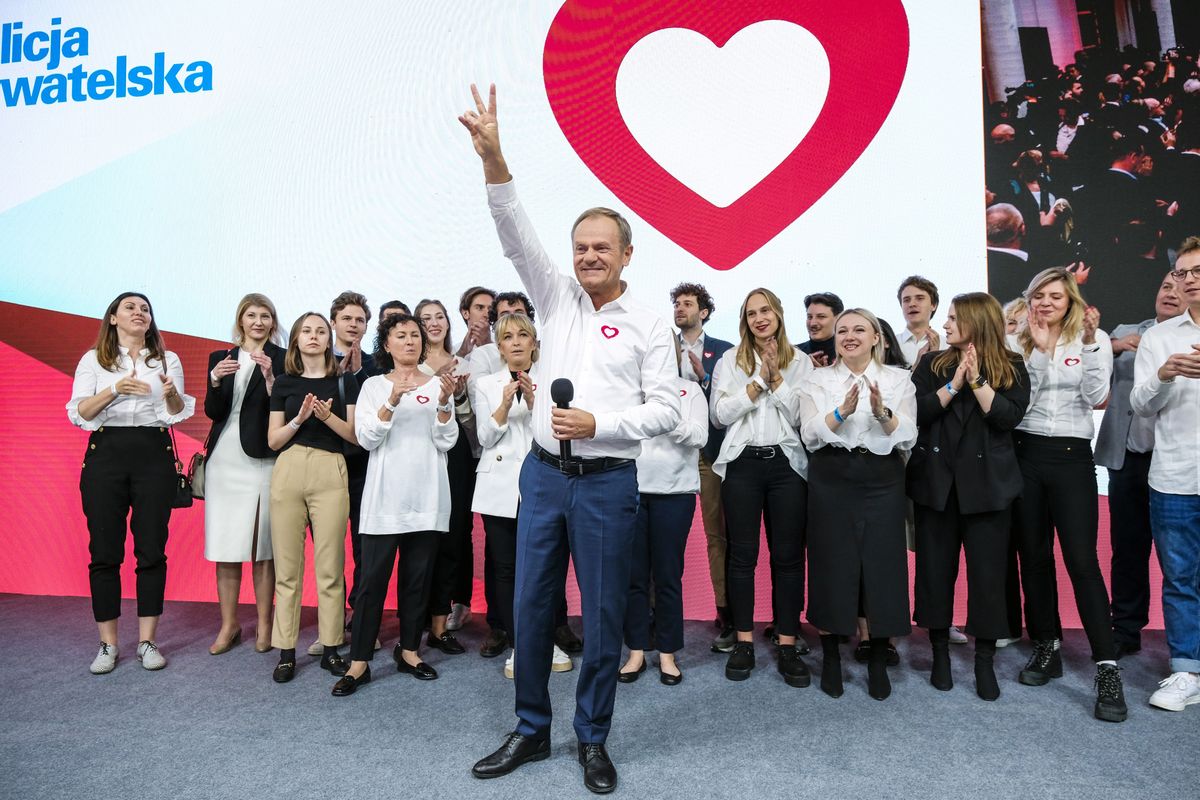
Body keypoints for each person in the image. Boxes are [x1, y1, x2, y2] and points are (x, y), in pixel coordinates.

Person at [461, 84, 678, 794]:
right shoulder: (553, 297)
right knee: (529, 608)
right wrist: (494, 158)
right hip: (544, 477)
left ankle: (592, 737)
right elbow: (512, 229)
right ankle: (530, 729)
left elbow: (667, 411)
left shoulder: (650, 324)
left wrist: (599, 425)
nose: (588, 256)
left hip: (609, 483)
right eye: (580, 247)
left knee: (605, 615)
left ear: (626, 254)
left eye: (601, 248)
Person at [1012, 267, 1126, 722]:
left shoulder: (1090, 341)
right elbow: (1022, 401)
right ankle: (1048, 646)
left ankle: (1107, 668)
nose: (1045, 303)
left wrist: (1092, 344)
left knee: (1082, 561)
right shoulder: (1015, 342)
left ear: (1071, 302)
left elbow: (1097, 395)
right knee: (1034, 557)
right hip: (1025, 452)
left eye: (1055, 296)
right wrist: (1040, 352)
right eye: (1039, 295)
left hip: (1072, 456)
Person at [909, 293, 1030, 701]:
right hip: (937, 487)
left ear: (976, 322)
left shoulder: (1011, 365)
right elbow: (918, 413)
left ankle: (984, 661)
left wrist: (977, 381)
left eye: (953, 318)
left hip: (989, 489)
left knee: (989, 578)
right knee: (934, 573)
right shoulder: (932, 364)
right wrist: (955, 383)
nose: (945, 324)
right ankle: (939, 654)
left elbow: (1008, 417)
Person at [67, 292, 195, 674]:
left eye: (145, 309)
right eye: (130, 307)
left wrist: (171, 395)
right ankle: (107, 644)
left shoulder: (167, 359)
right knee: (104, 551)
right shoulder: (94, 359)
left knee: (152, 549)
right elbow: (80, 412)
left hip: (153, 453)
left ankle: (147, 641)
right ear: (113, 318)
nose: (140, 313)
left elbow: (175, 414)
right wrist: (114, 390)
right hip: (106, 453)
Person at [331, 314, 459, 695]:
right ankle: (359, 663)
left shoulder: (437, 384)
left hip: (427, 496)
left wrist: (444, 404)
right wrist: (392, 400)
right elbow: (367, 438)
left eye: (415, 335)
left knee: (417, 581)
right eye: (400, 335)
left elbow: (446, 440)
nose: (409, 341)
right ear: (386, 344)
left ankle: (409, 651)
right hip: (385, 500)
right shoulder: (372, 386)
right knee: (371, 582)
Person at [800, 308, 916, 701]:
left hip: (882, 477)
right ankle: (831, 658)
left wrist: (883, 414)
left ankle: (878, 659)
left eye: (859, 330)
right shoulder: (816, 379)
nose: (849, 336)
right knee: (831, 566)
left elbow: (908, 435)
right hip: (831, 475)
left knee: (882, 568)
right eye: (842, 330)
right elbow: (810, 434)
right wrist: (841, 413)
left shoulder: (898, 379)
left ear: (876, 338)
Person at [711, 288, 813, 687]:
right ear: (745, 321)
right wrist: (757, 383)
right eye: (751, 313)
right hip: (742, 464)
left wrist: (777, 379)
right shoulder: (730, 360)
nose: (759, 318)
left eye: (765, 310)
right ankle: (743, 642)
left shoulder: (801, 361)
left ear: (779, 314)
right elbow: (719, 415)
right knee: (742, 557)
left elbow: (803, 417)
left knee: (788, 557)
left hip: (787, 466)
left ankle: (787, 642)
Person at [470, 312, 573, 677]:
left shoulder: (553, 380)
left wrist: (533, 402)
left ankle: (549, 640)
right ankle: (518, 646)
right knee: (506, 569)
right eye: (508, 337)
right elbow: (485, 438)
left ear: (533, 342)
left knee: (547, 567)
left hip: (544, 483)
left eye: (522, 335)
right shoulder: (486, 384)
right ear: (499, 347)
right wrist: (503, 404)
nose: (515, 342)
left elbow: (558, 433)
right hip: (499, 486)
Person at [266, 312, 358, 684]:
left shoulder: (344, 381)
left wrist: (325, 416)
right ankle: (286, 652)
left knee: (330, 566)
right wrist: (299, 419)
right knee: (287, 569)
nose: (314, 336)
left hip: (330, 468)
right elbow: (273, 440)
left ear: (328, 339)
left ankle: (331, 648)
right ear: (296, 339)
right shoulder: (283, 383)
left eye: (321, 331)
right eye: (307, 330)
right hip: (288, 467)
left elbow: (354, 435)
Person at [1095, 274, 1182, 660]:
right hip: (1128, 457)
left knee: (1178, 553)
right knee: (1127, 548)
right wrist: (1112, 345)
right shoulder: (1126, 332)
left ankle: (1183, 637)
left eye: (1179, 287)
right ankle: (1126, 628)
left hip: (1175, 460)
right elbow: (1095, 375)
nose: (1170, 292)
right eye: (1165, 286)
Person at [1131, 238, 1200, 712]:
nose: (1188, 279)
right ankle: (1186, 670)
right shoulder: (1160, 336)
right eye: (1182, 272)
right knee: (1179, 578)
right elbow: (1140, 404)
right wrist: (1164, 374)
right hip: (1175, 476)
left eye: (1197, 271)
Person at [203, 293, 286, 655]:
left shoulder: (283, 358)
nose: (258, 322)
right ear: (240, 320)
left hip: (263, 458)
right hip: (225, 460)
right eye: (251, 315)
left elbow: (285, 407)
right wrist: (214, 381)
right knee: (226, 544)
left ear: (272, 322)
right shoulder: (220, 358)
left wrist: (270, 379)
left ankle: (265, 624)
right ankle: (229, 624)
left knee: (263, 547)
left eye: (265, 316)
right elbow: (213, 412)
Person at [619, 342, 707, 685]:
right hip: (631, 490)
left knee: (668, 576)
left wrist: (666, 418)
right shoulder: (629, 392)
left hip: (675, 493)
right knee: (634, 577)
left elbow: (699, 436)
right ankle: (637, 651)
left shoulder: (689, 390)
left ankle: (668, 653)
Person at [669, 282, 735, 652]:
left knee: (717, 534)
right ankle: (655, 610)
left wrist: (704, 379)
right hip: (667, 452)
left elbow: (728, 405)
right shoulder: (661, 348)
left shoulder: (724, 351)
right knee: (660, 533)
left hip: (709, 452)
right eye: (677, 303)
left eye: (688, 303)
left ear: (704, 312)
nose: (680, 308)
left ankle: (726, 611)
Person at [413, 298, 472, 656]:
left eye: (439, 317)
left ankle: (443, 618)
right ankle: (417, 615)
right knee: (422, 535)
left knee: (453, 533)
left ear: (448, 323)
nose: (434, 323)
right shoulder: (409, 365)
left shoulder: (463, 364)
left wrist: (459, 393)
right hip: (419, 453)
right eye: (425, 319)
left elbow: (470, 421)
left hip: (456, 453)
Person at [329, 291, 376, 655]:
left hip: (364, 466)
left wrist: (358, 373)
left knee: (364, 547)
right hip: (327, 462)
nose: (354, 325)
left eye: (360, 320)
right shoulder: (316, 359)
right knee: (328, 546)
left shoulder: (375, 365)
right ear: (334, 322)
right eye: (347, 318)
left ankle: (361, 620)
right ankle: (330, 622)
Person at [896, 276, 940, 364]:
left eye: (919, 298)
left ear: (933, 305)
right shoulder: (890, 345)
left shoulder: (948, 346)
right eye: (906, 300)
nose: (912, 304)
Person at [797, 292, 842, 367]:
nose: (812, 323)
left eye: (821, 317)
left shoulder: (849, 354)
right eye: (809, 317)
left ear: (838, 319)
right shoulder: (793, 354)